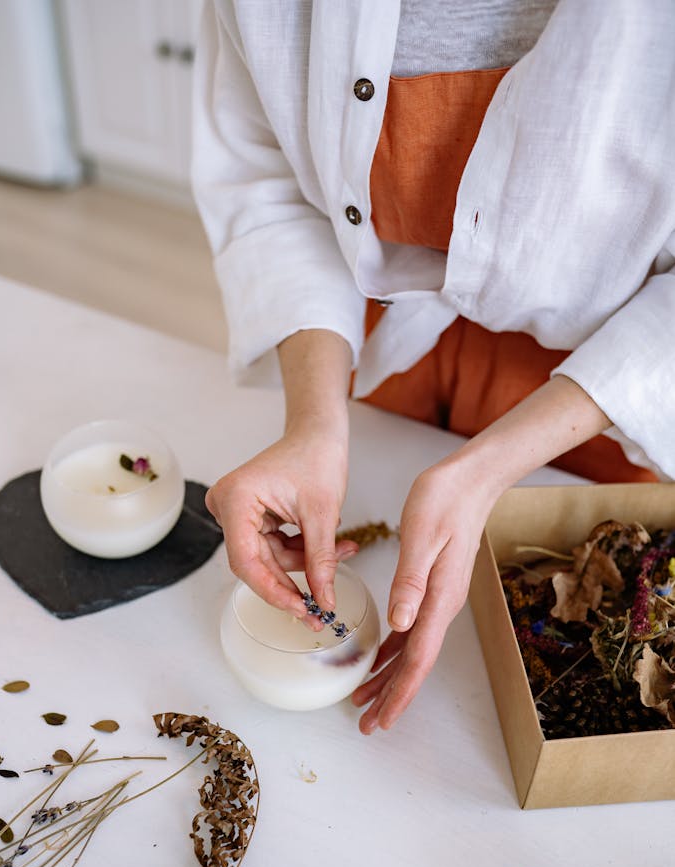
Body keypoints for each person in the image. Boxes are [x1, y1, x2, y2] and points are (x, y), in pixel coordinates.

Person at [191, 1, 675, 735]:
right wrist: (315, 423)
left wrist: (487, 468)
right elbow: (269, 177)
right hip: (369, 340)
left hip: (607, 388)